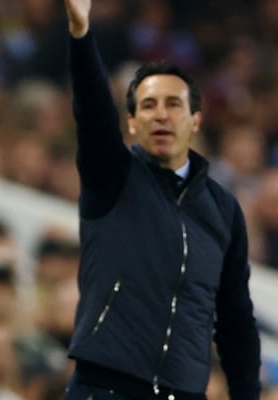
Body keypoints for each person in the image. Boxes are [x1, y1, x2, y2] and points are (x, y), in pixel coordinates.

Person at [62, 1, 261, 399]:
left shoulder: (223, 209)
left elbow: (236, 319)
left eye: (174, 104)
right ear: (132, 122)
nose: (161, 115)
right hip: (104, 387)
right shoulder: (112, 175)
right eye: (148, 105)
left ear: (196, 120)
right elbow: (93, 111)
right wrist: (82, 34)